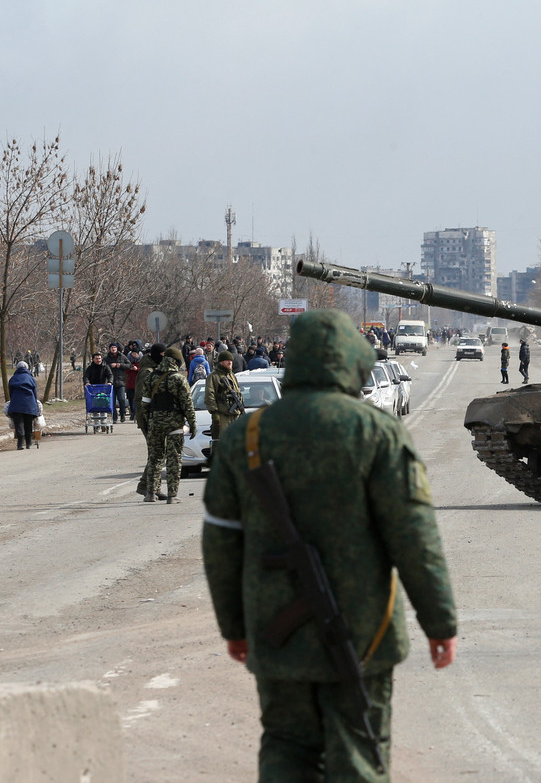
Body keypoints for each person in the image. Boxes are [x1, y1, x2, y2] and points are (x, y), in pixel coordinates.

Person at [201, 309, 457, 780]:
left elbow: (221, 542)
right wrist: (439, 622)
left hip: (276, 630)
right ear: (352, 364)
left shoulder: (247, 435)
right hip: (364, 631)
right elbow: (413, 536)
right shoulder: (376, 432)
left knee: (285, 745)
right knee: (358, 752)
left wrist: (234, 627)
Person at [140, 345, 195, 504]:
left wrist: (149, 419)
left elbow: (145, 403)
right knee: (174, 459)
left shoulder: (151, 377)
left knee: (155, 458)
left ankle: (151, 493)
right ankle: (172, 495)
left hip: (155, 422)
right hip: (175, 424)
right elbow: (187, 405)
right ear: (177, 362)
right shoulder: (178, 379)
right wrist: (192, 423)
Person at [134, 343, 168, 501]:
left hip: (157, 418)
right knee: (157, 452)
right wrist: (147, 420)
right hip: (149, 419)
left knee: (159, 452)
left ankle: (154, 487)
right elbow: (143, 399)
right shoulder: (147, 372)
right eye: (162, 354)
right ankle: (146, 486)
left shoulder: (156, 370)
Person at [204, 350, 243, 447]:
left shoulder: (232, 375)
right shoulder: (213, 376)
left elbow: (238, 392)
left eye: (231, 360)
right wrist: (214, 412)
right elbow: (209, 395)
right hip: (222, 415)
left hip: (235, 414)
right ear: (221, 362)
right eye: (227, 360)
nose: (230, 362)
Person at [6, 361, 40, 450]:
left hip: (16, 404)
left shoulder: (13, 378)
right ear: (27, 368)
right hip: (29, 404)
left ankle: (20, 444)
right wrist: (35, 403)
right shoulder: (31, 378)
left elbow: (11, 392)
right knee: (28, 424)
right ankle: (29, 443)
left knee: (19, 424)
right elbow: (35, 393)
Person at [105, 342, 130, 423]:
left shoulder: (122, 357)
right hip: (110, 382)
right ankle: (114, 417)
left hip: (121, 382)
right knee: (112, 400)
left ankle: (122, 414)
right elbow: (103, 367)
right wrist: (110, 366)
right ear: (110, 349)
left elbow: (129, 365)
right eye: (111, 347)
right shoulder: (106, 358)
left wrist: (120, 365)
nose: (113, 349)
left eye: (114, 347)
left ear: (117, 348)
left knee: (122, 399)